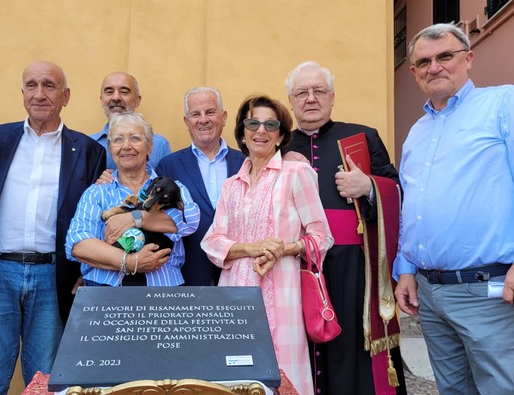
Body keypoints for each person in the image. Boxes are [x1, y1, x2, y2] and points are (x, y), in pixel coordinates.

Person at [393, 23, 514, 395]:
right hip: (430, 293)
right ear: (414, 72)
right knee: (453, 390)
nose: (434, 67)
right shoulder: (417, 132)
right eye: (424, 61)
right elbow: (410, 204)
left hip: (492, 290)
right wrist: (405, 268)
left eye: (445, 56)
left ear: (468, 59)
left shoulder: (506, 103)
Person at [0, 61, 106, 393]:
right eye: (31, 85)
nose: (39, 93)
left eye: (49, 85)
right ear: (22, 94)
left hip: (53, 276)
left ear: (66, 96)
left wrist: (84, 268)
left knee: (45, 381)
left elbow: (96, 213)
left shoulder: (89, 151)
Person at [284, 61, 406, 395]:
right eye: (302, 93)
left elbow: (398, 192)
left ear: (332, 97)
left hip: (354, 269)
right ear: (291, 101)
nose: (311, 99)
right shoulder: (278, 146)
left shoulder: (362, 137)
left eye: (319, 91)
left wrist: (368, 186)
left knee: (353, 346)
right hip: (297, 265)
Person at [202, 94, 333, 395]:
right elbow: (211, 242)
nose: (261, 131)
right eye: (253, 123)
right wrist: (251, 248)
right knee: (234, 376)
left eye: (270, 124)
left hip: (282, 296)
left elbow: (322, 236)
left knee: (281, 377)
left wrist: (283, 249)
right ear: (242, 133)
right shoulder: (231, 184)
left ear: (281, 135)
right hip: (234, 298)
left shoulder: (296, 174)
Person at [67, 112, 199, 286]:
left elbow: (190, 220)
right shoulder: (96, 193)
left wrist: (134, 218)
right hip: (107, 292)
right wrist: (130, 262)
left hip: (164, 293)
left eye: (135, 138)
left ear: (150, 147)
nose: (126, 146)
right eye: (118, 140)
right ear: (110, 148)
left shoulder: (173, 188)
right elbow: (78, 244)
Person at [155, 87, 244, 286]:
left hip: (237, 271)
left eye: (210, 112)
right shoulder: (168, 166)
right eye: (195, 114)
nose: (203, 120)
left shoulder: (246, 163)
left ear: (224, 117)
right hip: (188, 273)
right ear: (186, 122)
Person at [90, 71, 171, 170]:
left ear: (137, 100)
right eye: (109, 92)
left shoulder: (159, 145)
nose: (116, 98)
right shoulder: (88, 145)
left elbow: (167, 184)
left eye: (124, 92)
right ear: (102, 100)